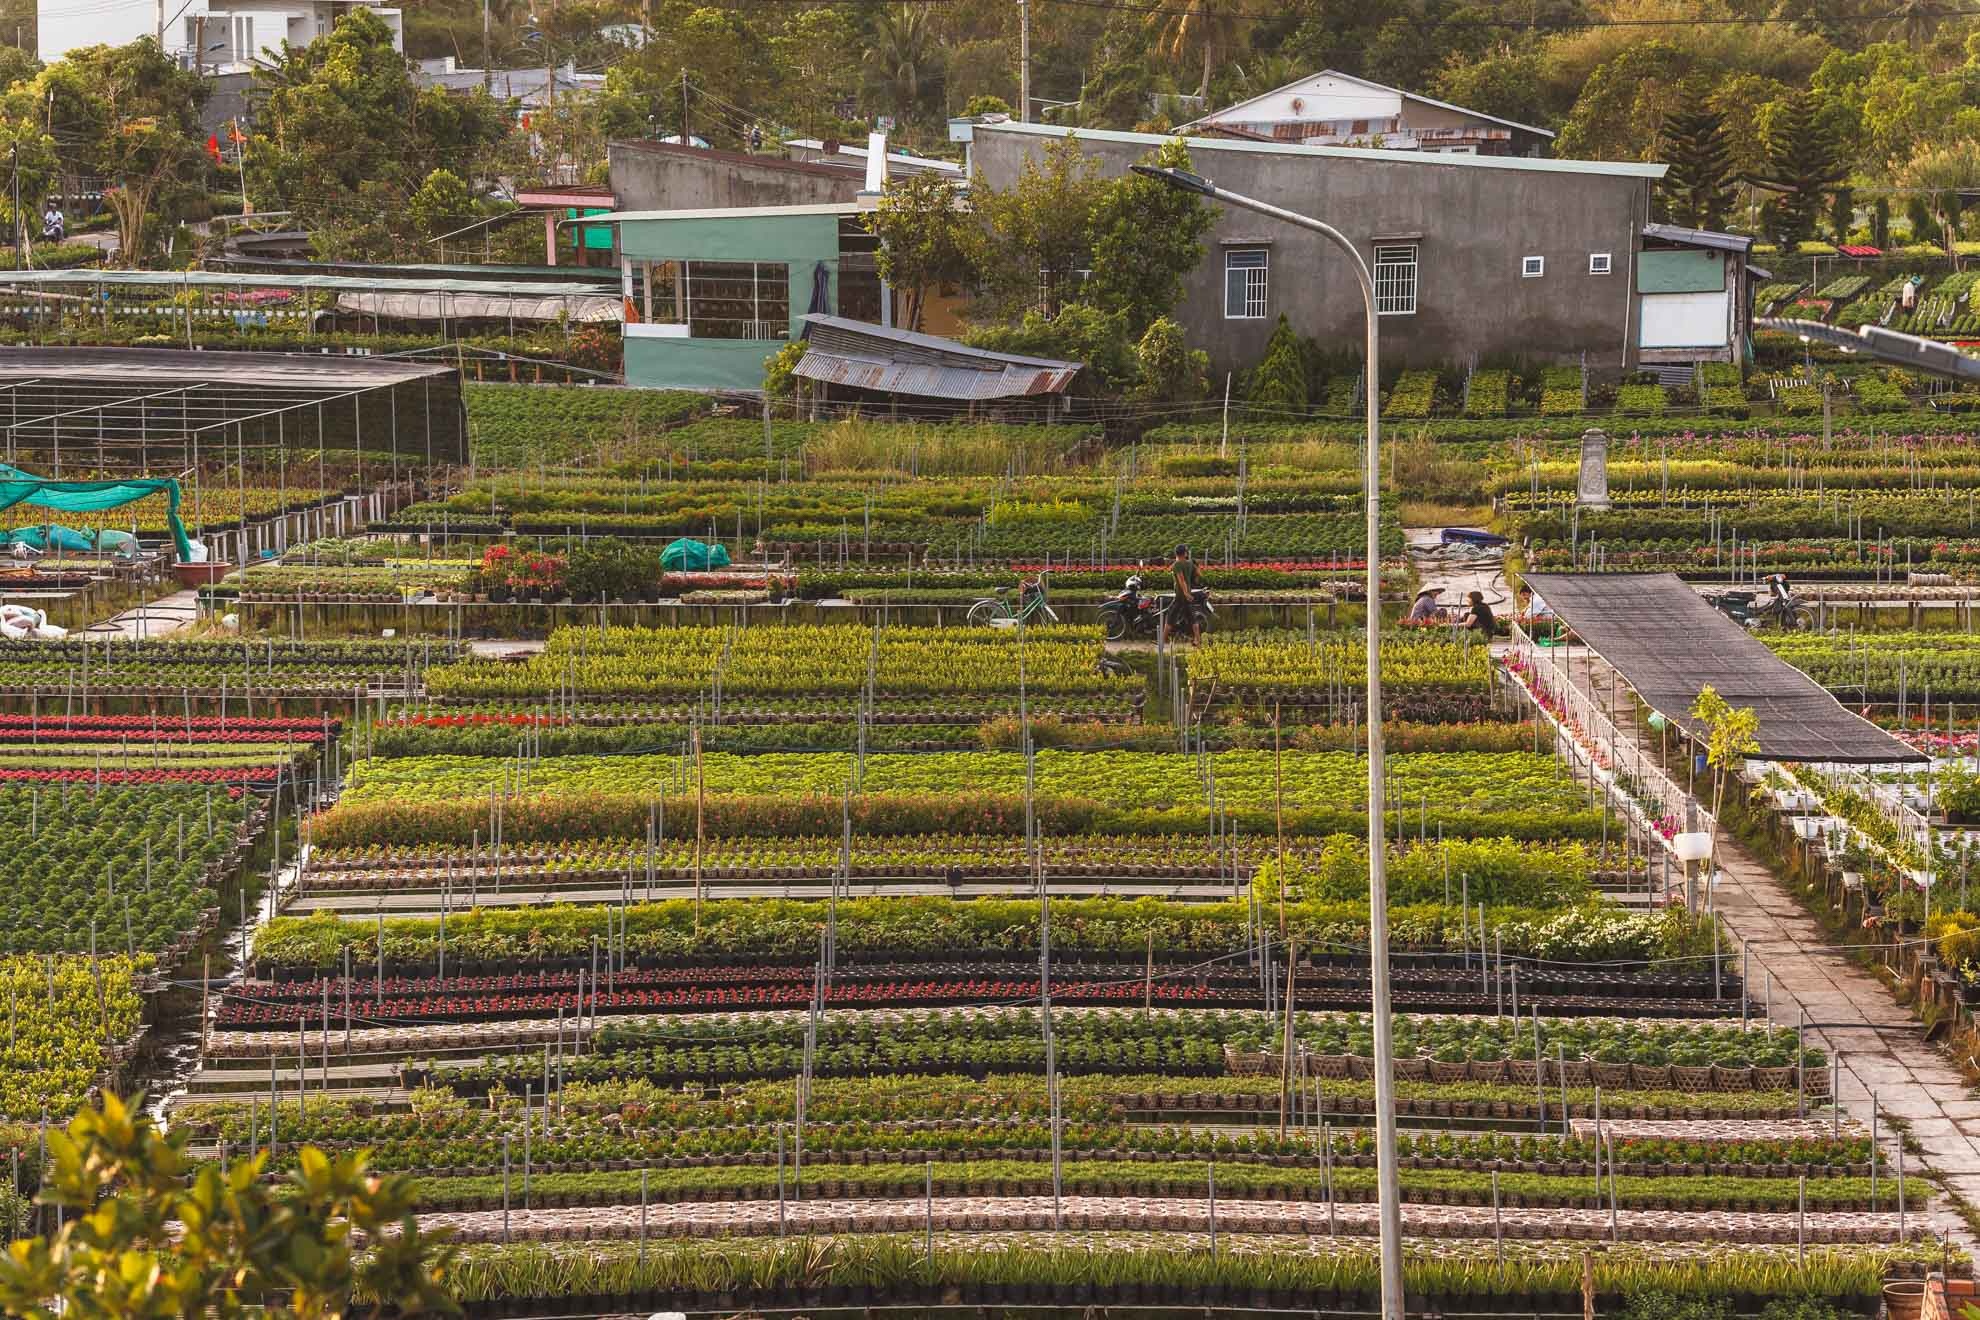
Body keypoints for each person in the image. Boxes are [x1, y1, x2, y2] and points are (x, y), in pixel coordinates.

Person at [1169, 543, 1205, 643]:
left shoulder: (1178, 564)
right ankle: (1197, 641)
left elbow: (1181, 580)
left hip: (1181, 595)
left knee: (1170, 617)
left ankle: (1162, 641)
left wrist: (1185, 593)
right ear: (1185, 553)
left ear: (1176, 553)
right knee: (1192, 618)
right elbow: (1199, 574)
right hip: (1187, 593)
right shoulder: (1189, 563)